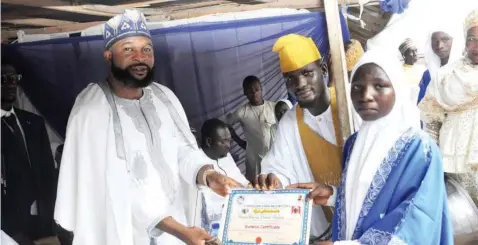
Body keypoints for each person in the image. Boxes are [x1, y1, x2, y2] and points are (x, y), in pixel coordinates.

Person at [54, 9, 240, 245]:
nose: (140, 57)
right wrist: (178, 230)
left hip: (181, 231)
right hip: (124, 234)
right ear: (108, 56)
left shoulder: (164, 97)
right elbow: (114, 188)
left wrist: (208, 174)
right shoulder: (92, 109)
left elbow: (184, 151)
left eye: (146, 49)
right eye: (128, 49)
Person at [289, 50, 453, 245]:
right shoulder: (354, 144)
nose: (365, 95)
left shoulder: (419, 148)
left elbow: (417, 221)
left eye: (379, 86)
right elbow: (366, 198)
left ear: (397, 89)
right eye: (357, 87)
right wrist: (333, 194)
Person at [254, 34, 359, 242]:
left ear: (324, 70)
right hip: (325, 226)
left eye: (307, 73)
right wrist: (273, 179)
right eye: (290, 78)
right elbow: (280, 169)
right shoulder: (290, 122)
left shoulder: (352, 105)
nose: (300, 83)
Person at [419, 8, 478, 206]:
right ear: (464, 40)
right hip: (454, 162)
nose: (476, 45)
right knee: (464, 219)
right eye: (471, 38)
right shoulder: (445, 76)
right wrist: (432, 159)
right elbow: (431, 120)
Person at [1, 63, 58, 245]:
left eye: (14, 79)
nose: (10, 84)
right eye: (3, 79)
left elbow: (47, 173)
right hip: (7, 225)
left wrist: (52, 218)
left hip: (41, 218)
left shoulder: (33, 122)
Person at [191, 118, 249, 232]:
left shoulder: (225, 156)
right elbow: (207, 209)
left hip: (239, 215)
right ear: (209, 141)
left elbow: (239, 178)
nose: (229, 145)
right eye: (224, 141)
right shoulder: (198, 168)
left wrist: (251, 187)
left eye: (229, 141)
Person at [225, 75, 277, 182]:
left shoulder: (274, 107)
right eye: (250, 91)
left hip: (274, 158)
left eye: (257, 89)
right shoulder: (242, 112)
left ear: (261, 89)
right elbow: (225, 124)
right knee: (256, 188)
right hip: (254, 161)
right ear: (245, 93)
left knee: (274, 185)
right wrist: (240, 142)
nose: (254, 93)